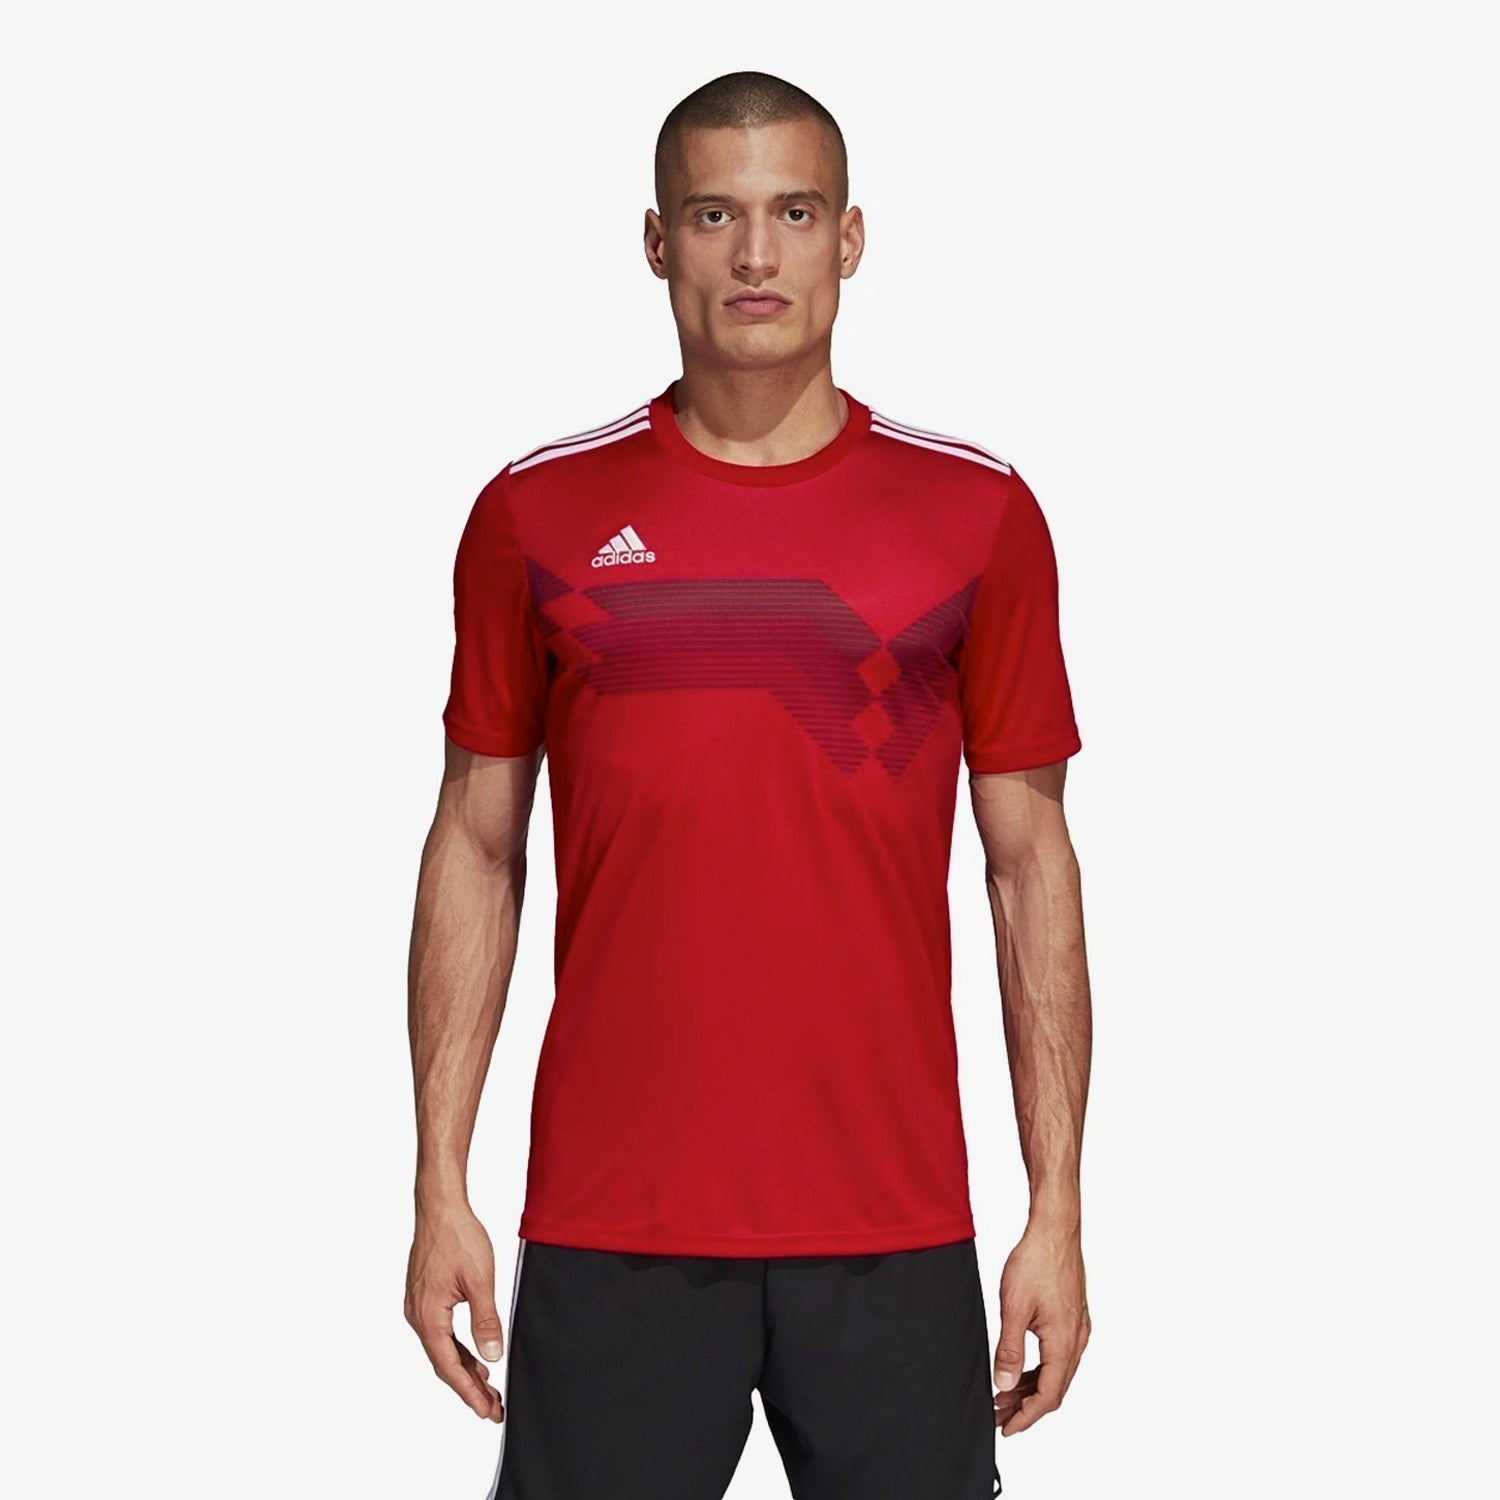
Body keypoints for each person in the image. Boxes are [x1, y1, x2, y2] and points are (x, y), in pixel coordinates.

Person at [405, 69, 1092, 1500]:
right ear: (658, 242)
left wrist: (1058, 1209)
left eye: (795, 213)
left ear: (852, 239)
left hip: (892, 1222)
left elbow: (1029, 866)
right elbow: (477, 844)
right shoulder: (536, 514)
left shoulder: (976, 516)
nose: (757, 256)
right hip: (614, 1219)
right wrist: (438, 1181)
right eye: (716, 216)